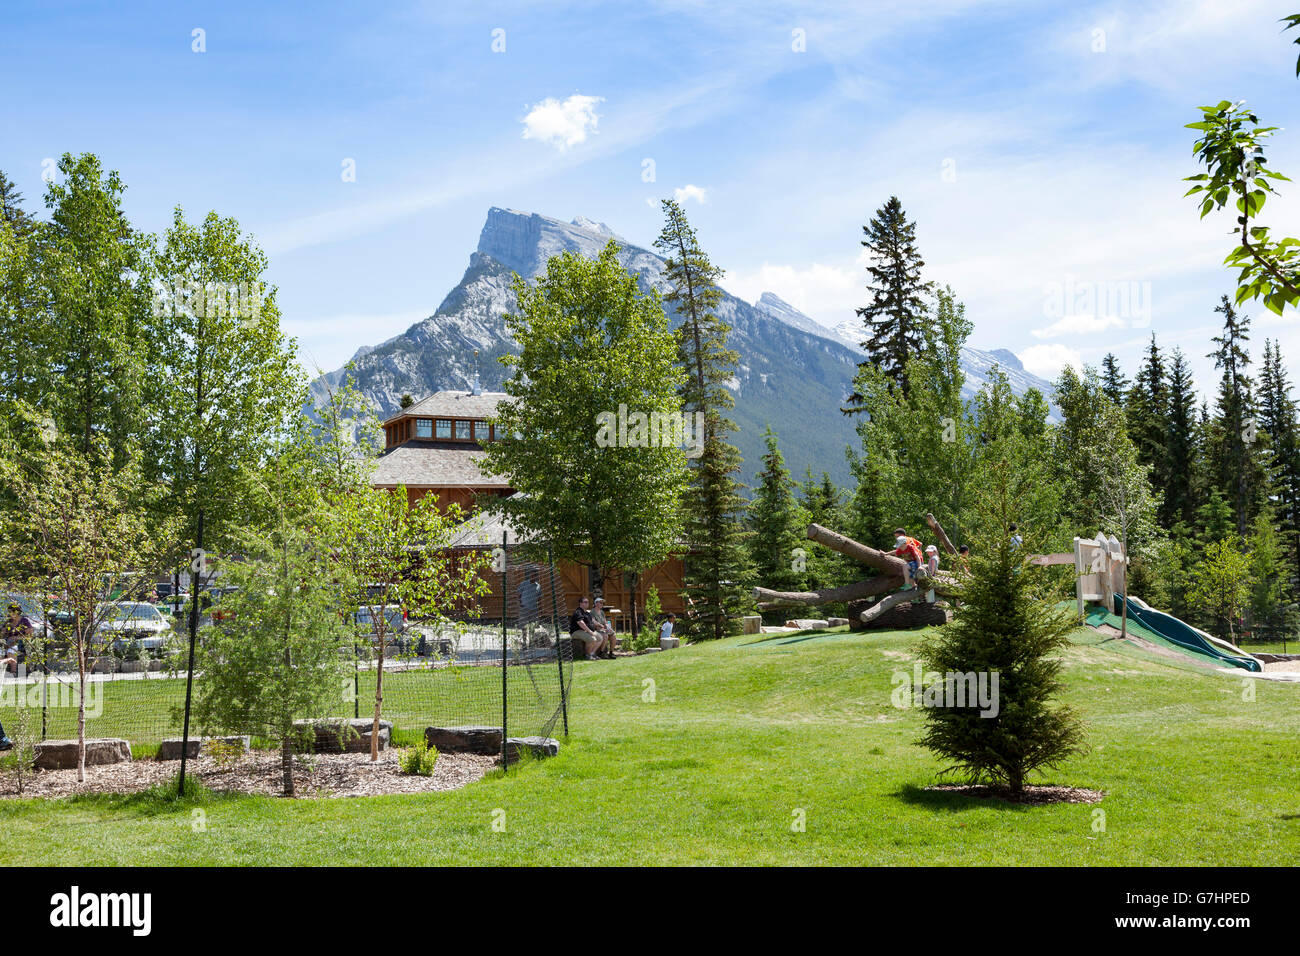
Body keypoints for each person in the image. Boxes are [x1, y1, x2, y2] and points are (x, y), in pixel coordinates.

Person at [2, 601, 31, 676]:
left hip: (20, 642)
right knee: (2, 651)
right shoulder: (9, 621)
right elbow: (2, 633)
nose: (11, 613)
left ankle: (13, 672)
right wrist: (3, 631)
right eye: (10, 612)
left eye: (12, 611)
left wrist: (17, 637)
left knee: (11, 651)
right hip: (8, 642)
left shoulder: (24, 621)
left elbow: (29, 633)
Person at [517, 571, 542, 646]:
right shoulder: (524, 584)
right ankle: (524, 642)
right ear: (530, 576)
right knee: (524, 626)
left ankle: (531, 642)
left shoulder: (538, 586)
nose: (533, 577)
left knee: (532, 626)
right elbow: (518, 594)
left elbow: (539, 599)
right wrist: (520, 604)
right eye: (532, 576)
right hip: (524, 608)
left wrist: (540, 610)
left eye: (535, 576)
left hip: (534, 609)